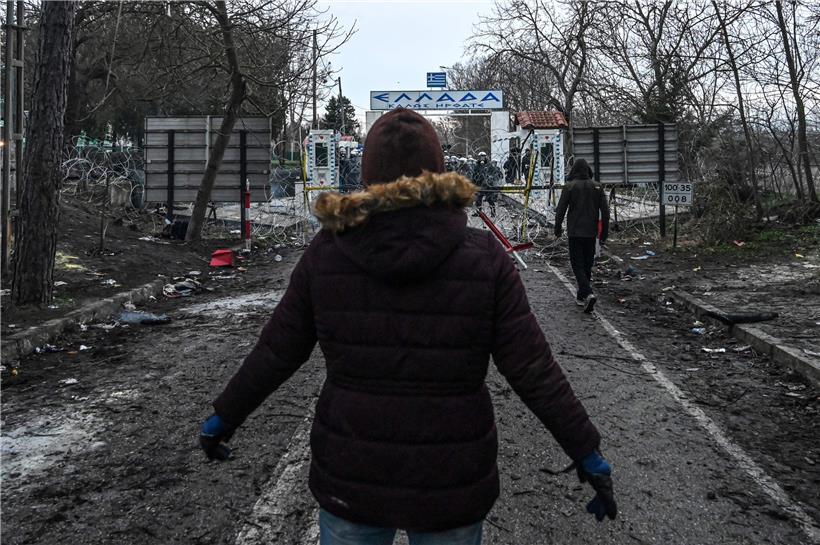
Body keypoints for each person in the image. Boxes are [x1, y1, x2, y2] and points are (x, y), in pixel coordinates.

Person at [198, 108, 616, 545]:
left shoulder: (328, 254)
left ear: (367, 174)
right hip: (451, 477)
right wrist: (584, 448)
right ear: (439, 171)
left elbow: (277, 350)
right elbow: (532, 367)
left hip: (351, 473)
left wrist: (225, 415)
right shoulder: (484, 259)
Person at [553, 158, 610, 313]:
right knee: (587, 264)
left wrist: (557, 228)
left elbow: (560, 210)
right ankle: (581, 295)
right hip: (591, 232)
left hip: (575, 232)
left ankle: (588, 293)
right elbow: (605, 213)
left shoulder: (570, 187)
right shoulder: (597, 187)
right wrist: (604, 234)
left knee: (577, 264)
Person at [473, 152, 496, 217]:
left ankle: (493, 212)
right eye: (481, 156)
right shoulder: (477, 165)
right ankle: (478, 212)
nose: (482, 158)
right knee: (478, 199)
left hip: (488, 185)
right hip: (479, 184)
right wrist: (474, 182)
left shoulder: (489, 165)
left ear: (485, 157)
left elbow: (494, 172)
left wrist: (490, 177)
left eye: (483, 156)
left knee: (489, 199)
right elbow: (474, 175)